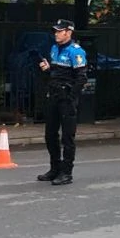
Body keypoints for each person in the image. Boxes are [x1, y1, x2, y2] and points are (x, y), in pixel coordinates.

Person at [37, 19, 88, 185]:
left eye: (60, 31)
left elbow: (81, 78)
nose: (56, 34)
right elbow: (55, 73)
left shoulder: (76, 51)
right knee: (50, 135)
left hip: (66, 99)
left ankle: (66, 172)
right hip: (53, 96)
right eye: (56, 31)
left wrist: (71, 97)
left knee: (67, 137)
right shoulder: (54, 49)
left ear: (69, 32)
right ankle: (55, 168)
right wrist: (47, 70)